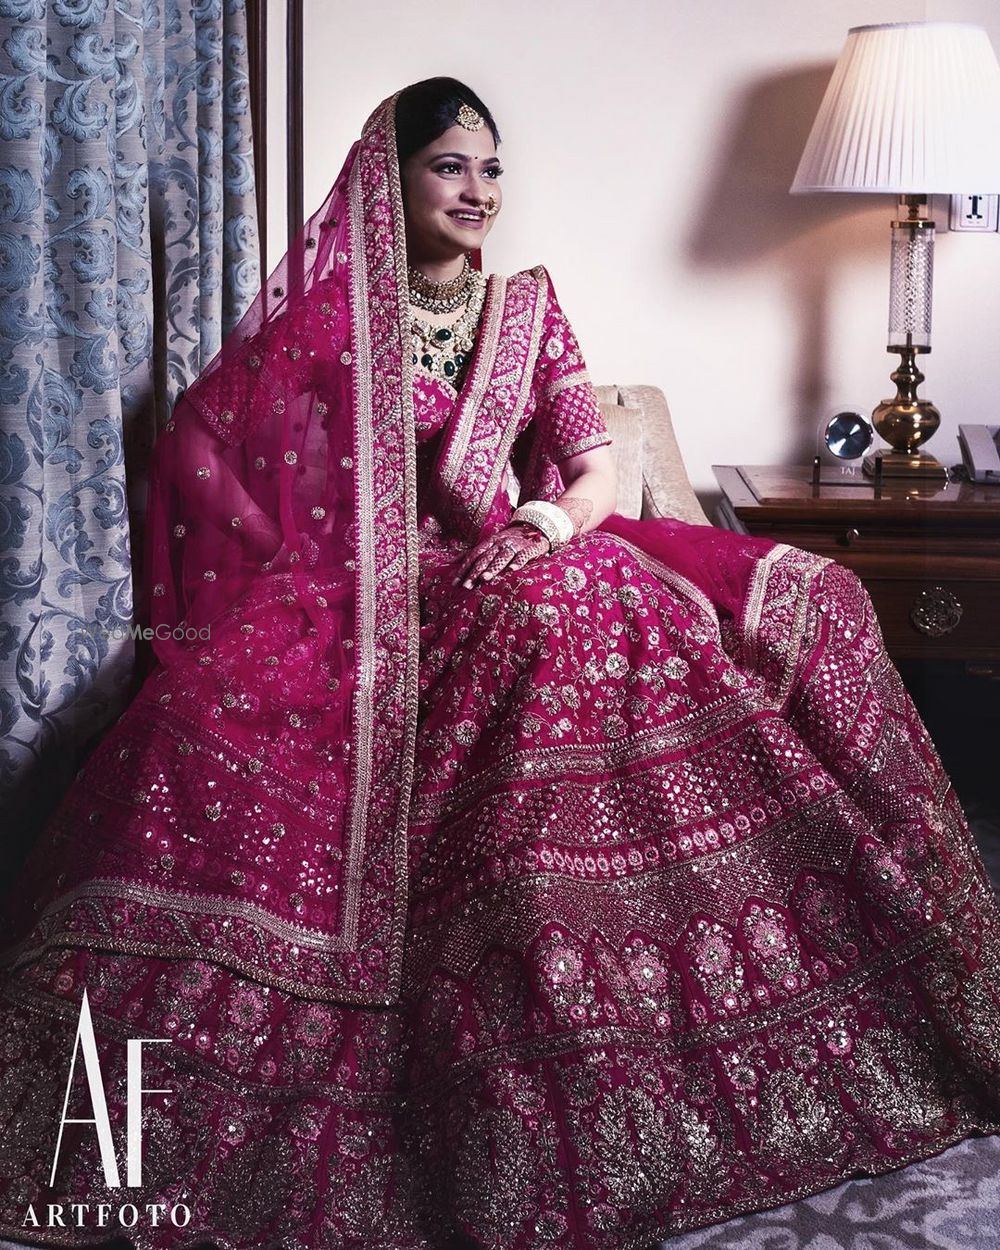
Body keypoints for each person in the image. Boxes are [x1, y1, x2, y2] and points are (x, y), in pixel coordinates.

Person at [0, 76, 998, 1250]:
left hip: (539, 545)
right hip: (388, 587)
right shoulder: (333, 321)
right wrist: (317, 553)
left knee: (693, 599)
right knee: (522, 627)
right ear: (393, 177)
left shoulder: (529, 309)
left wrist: (544, 523)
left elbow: (590, 464)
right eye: (449, 168)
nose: (476, 192)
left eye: (490, 171)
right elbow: (211, 447)